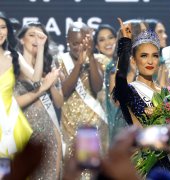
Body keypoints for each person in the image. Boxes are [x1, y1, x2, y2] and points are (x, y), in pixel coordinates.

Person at [113, 18, 170, 174]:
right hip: (144, 165)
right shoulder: (130, 91)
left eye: (154, 56)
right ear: (134, 60)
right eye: (144, 56)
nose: (150, 61)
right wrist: (126, 42)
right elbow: (120, 77)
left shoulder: (166, 93)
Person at [57, 22, 108, 178]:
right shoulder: (60, 61)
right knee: (72, 172)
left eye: (82, 43)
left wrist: (90, 56)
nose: (78, 47)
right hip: (69, 127)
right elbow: (64, 91)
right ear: (67, 41)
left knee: (92, 173)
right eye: (74, 43)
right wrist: (79, 63)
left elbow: (97, 86)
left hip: (94, 126)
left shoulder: (99, 60)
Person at [14, 22, 63, 179]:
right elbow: (33, 81)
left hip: (48, 132)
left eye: (40, 36)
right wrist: (43, 85)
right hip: (22, 132)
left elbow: (59, 103)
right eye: (31, 35)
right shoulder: (14, 62)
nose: (36, 39)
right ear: (21, 39)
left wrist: (52, 84)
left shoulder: (50, 64)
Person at [0, 12, 33, 158]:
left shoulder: (13, 56)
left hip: (10, 121)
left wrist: (42, 45)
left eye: (3, 27)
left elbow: (35, 76)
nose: (0, 32)